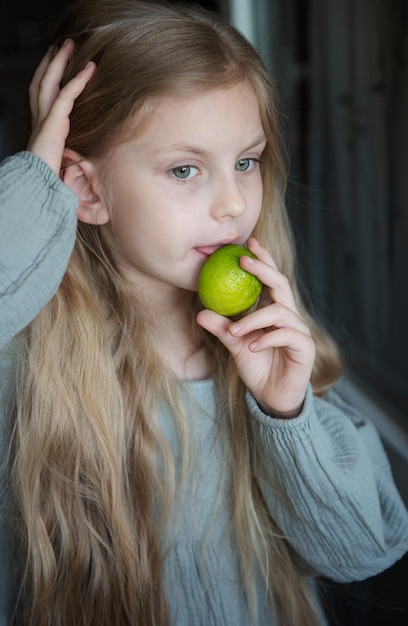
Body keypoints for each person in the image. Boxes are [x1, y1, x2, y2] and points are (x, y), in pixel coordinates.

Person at [0, 1, 407, 624]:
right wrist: (36, 182)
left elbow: (363, 551)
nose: (232, 203)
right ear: (86, 188)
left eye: (247, 161)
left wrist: (287, 412)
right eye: (185, 169)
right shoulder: (27, 359)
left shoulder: (270, 352)